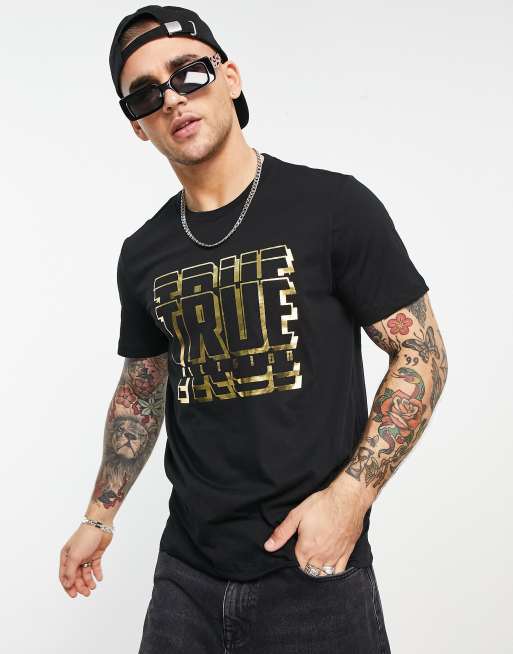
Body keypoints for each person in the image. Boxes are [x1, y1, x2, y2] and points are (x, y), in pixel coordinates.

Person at [58, 5, 448, 653]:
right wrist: (98, 517)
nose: (172, 99)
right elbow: (143, 388)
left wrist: (350, 499)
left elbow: (420, 352)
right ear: (137, 126)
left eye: (188, 73)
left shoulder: (333, 206)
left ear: (230, 77)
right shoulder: (143, 252)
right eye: (145, 93)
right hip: (186, 577)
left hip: (313, 573)